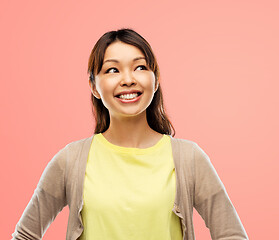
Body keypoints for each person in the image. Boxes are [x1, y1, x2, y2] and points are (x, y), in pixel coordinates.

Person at [11, 28, 248, 240]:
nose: (128, 79)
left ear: (155, 81)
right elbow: (25, 235)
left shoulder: (189, 158)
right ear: (94, 86)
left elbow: (231, 235)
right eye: (113, 70)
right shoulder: (70, 160)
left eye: (140, 67)